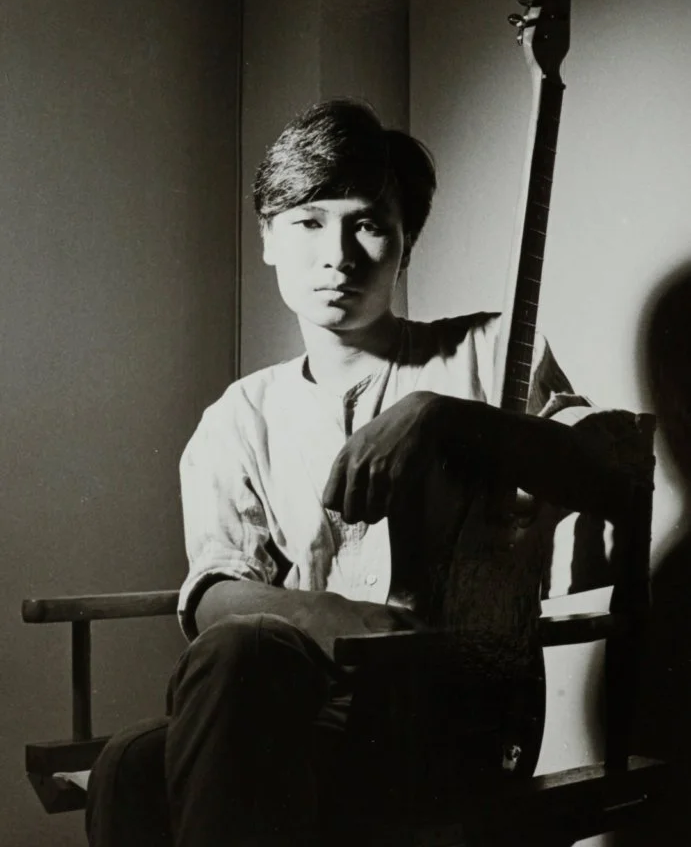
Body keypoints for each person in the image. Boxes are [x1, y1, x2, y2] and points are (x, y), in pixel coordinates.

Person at [86, 100, 633, 847]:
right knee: (134, 762)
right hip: (311, 712)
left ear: (406, 241)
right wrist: (341, 619)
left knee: (166, 751)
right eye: (308, 222)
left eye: (368, 224)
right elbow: (214, 590)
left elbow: (607, 470)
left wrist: (441, 418)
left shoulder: (488, 352)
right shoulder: (241, 414)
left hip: (452, 717)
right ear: (267, 239)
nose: (337, 255)